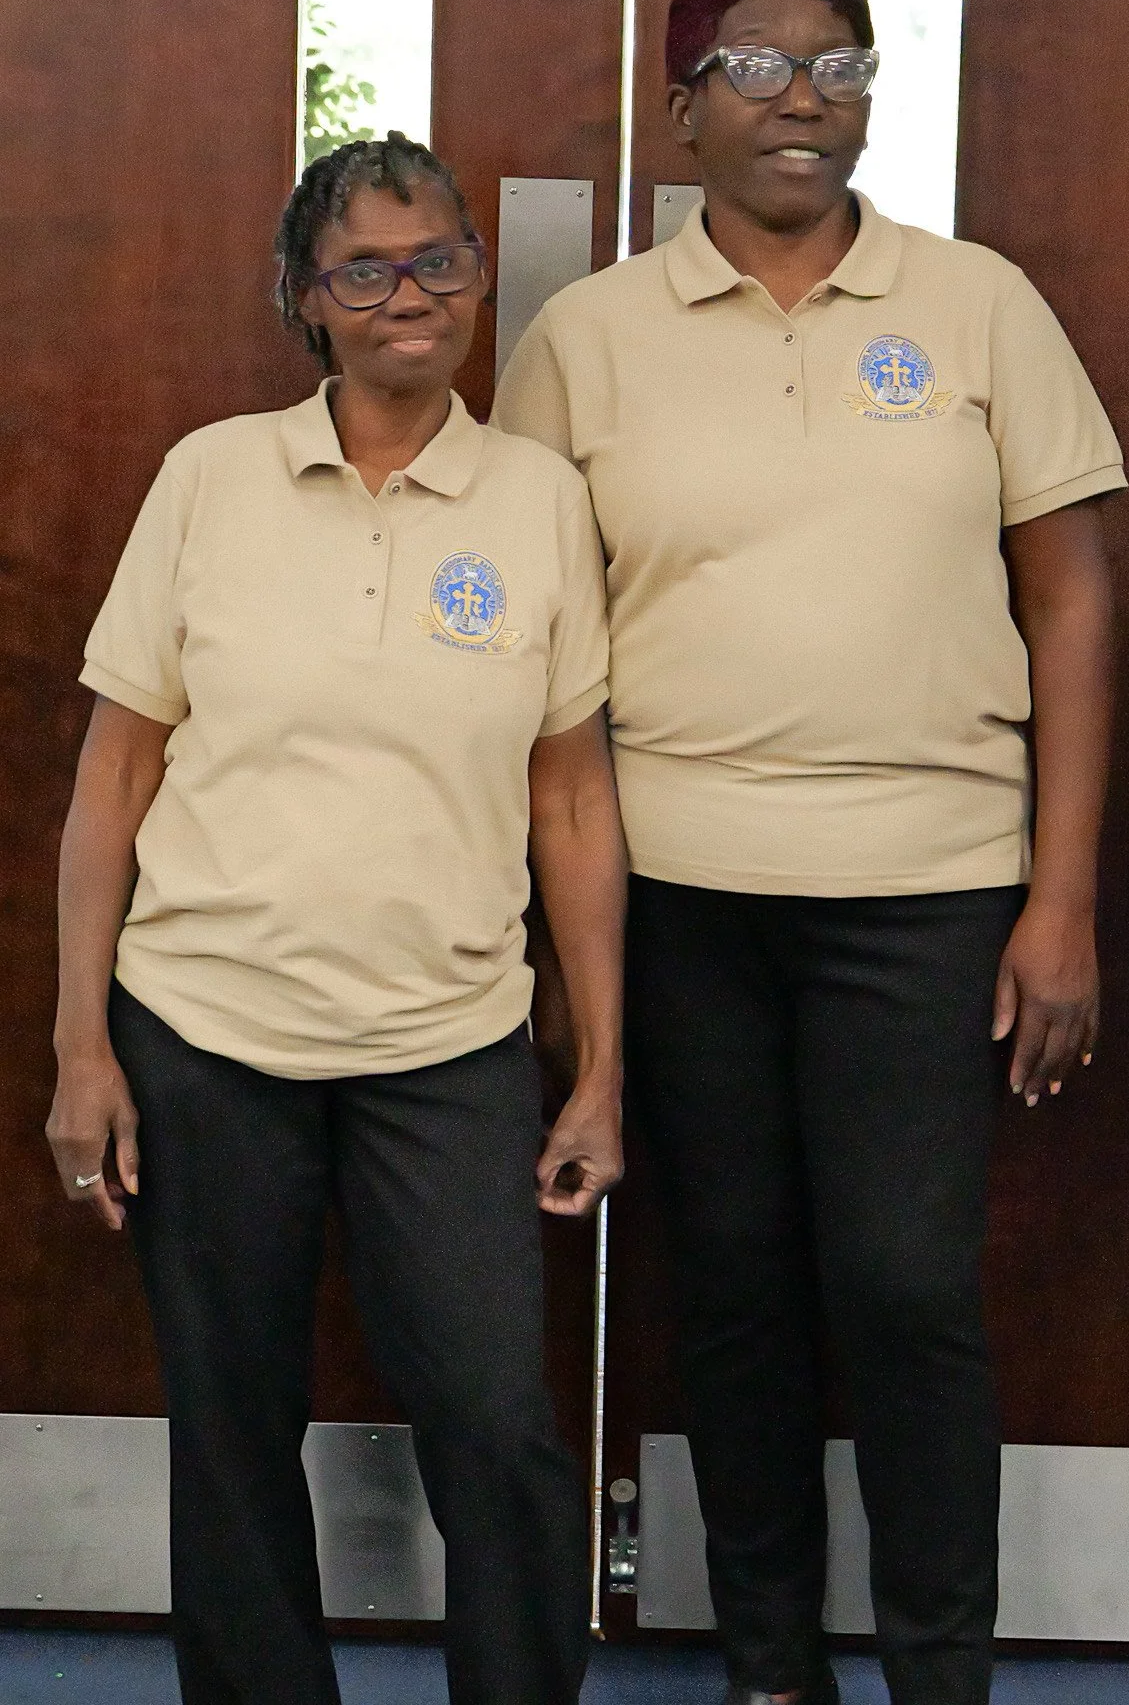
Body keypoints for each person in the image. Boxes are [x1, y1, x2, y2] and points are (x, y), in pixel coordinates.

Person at [495, 0, 1123, 1705]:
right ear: (682, 109)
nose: (804, 98)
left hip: (930, 892)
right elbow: (537, 656)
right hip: (678, 898)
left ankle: (939, 1673)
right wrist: (553, 944)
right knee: (736, 1291)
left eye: (839, 66)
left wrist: (1061, 898)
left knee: (908, 1289)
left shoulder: (978, 304)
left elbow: (1074, 600)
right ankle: (772, 1668)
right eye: (760, 66)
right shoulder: (588, 339)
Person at [44, 134, 627, 1705]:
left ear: (479, 277)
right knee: (231, 1427)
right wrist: (82, 1046)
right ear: (303, 298)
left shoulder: (540, 503)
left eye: (435, 259)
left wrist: (599, 1067)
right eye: (361, 269)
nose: (406, 295)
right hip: (206, 1030)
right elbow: (114, 776)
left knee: (497, 1422)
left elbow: (573, 801)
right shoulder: (209, 478)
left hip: (448, 1043)